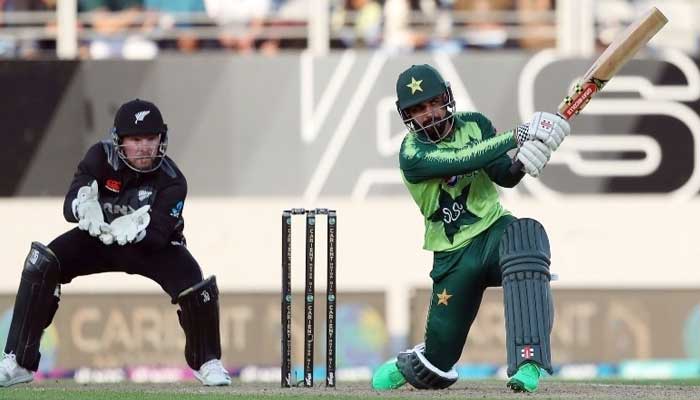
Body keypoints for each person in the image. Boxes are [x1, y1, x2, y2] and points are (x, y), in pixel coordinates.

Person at [0, 99, 230, 387]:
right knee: (42, 263)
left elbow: (159, 234)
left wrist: (137, 229)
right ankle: (18, 362)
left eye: (151, 138)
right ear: (119, 140)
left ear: (162, 139)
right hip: (97, 240)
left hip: (148, 248)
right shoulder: (99, 157)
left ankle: (208, 362)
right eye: (135, 139)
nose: (144, 147)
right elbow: (70, 204)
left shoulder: (174, 181)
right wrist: (84, 207)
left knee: (195, 281)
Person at [371, 64, 569, 393]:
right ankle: (415, 364)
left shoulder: (475, 124)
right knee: (438, 361)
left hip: (493, 231)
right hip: (453, 255)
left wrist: (528, 158)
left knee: (526, 238)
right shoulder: (412, 153)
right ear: (406, 116)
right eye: (418, 110)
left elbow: (503, 174)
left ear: (448, 98)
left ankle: (528, 363)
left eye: (434, 103)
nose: (429, 114)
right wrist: (521, 134)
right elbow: (463, 160)